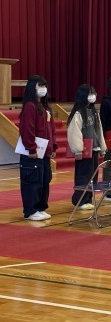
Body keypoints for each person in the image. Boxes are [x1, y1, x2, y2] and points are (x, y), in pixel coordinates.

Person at [18, 75, 57, 221]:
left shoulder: (45, 107)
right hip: (34, 152)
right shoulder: (30, 106)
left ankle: (40, 207)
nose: (44, 89)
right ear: (32, 87)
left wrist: (53, 147)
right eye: (40, 86)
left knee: (44, 180)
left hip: (45, 152)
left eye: (45, 86)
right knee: (32, 181)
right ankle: (31, 210)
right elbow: (27, 129)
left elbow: (51, 130)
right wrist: (31, 148)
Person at [67, 84, 107, 211]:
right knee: (83, 176)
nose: (93, 96)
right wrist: (78, 149)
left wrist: (102, 147)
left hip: (94, 149)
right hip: (84, 151)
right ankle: (79, 200)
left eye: (94, 93)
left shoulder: (94, 113)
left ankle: (88, 198)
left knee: (93, 176)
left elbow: (99, 131)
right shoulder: (78, 113)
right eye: (90, 94)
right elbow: (74, 132)